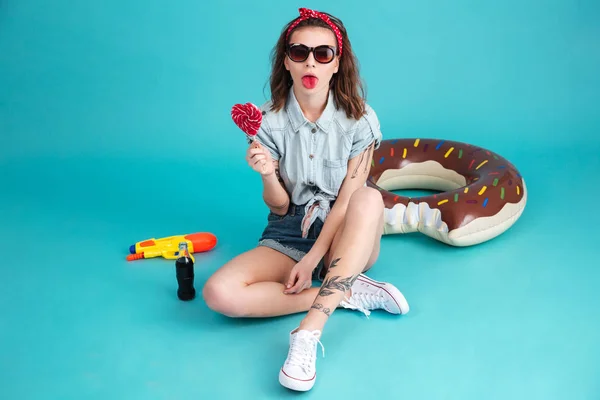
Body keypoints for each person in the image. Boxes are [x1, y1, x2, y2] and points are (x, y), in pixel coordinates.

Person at [203, 7, 410, 392]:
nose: (310, 61)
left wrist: (315, 258)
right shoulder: (266, 121)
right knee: (219, 293)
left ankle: (308, 332)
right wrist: (266, 171)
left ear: (337, 63)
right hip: (290, 228)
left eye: (323, 53)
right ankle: (342, 292)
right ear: (286, 61)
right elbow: (280, 206)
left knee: (367, 198)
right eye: (299, 52)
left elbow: (348, 200)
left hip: (347, 230)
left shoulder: (360, 120)